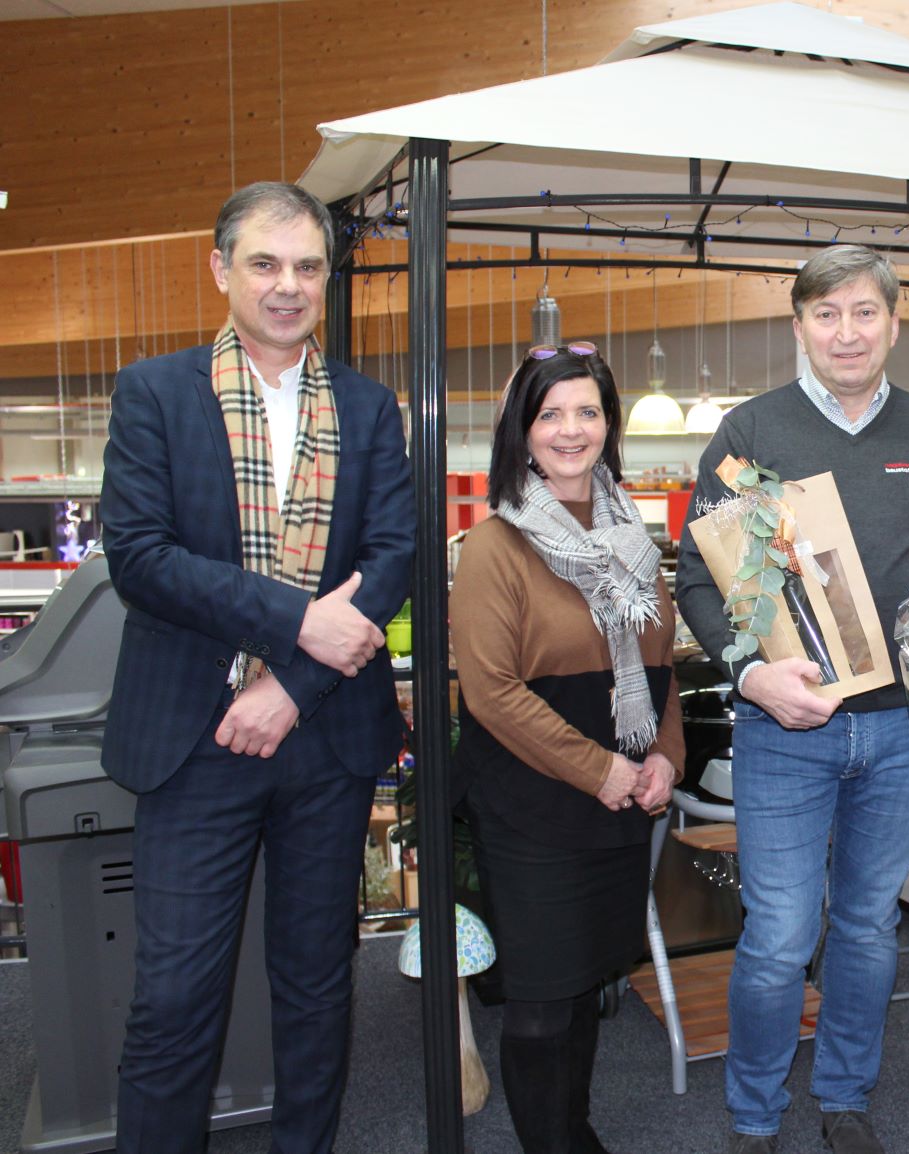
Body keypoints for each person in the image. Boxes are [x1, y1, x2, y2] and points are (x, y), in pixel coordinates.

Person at [100, 181, 414, 1154]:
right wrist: (296, 623)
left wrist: (289, 680)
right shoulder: (155, 392)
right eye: (265, 263)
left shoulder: (367, 407)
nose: (288, 286)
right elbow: (141, 557)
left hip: (322, 738)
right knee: (174, 996)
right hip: (192, 738)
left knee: (318, 984)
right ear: (220, 269)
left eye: (308, 266)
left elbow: (394, 555)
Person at [675, 244, 909, 1154]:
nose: (846, 332)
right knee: (777, 936)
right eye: (826, 314)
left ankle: (845, 1098)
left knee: (870, 928)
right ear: (799, 325)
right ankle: (755, 1114)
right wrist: (749, 673)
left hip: (899, 737)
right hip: (783, 728)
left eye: (864, 313)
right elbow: (697, 577)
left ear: (895, 321)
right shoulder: (750, 434)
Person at [450, 343, 682, 1154]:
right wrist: (604, 769)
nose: (571, 429)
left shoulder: (634, 541)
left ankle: (572, 1134)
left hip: (619, 803)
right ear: (522, 429)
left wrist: (665, 760)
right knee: (544, 1004)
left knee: (587, 988)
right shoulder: (495, 548)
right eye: (551, 414)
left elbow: (662, 670)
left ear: (610, 425)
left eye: (588, 411)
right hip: (533, 806)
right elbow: (492, 695)